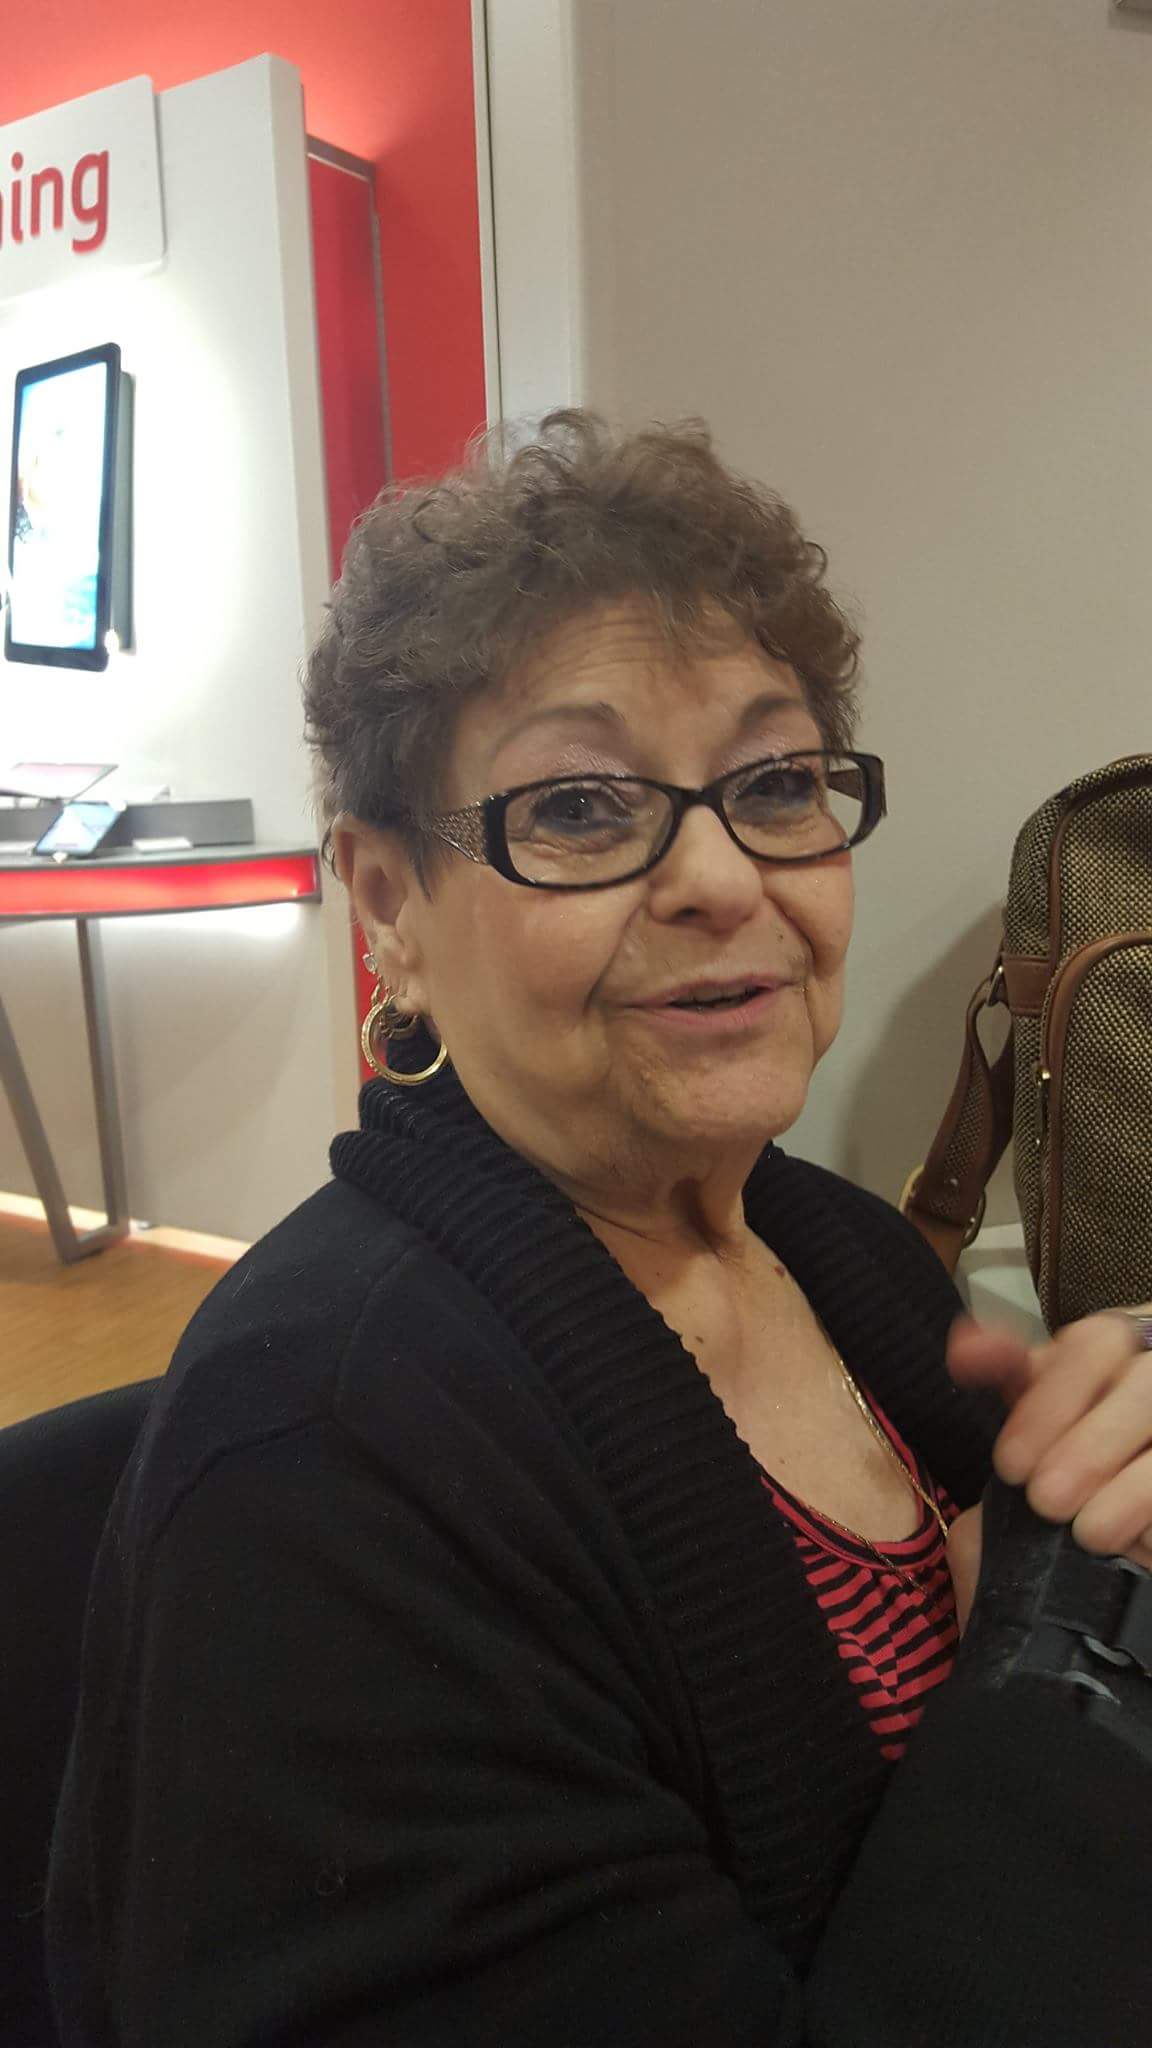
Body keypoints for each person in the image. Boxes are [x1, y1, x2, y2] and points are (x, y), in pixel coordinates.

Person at [46, 413, 1152, 2046]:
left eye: (777, 783)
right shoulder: (316, 1466)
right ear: (389, 907)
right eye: (578, 807)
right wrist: (1078, 1640)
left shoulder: (833, 1248)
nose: (724, 878)